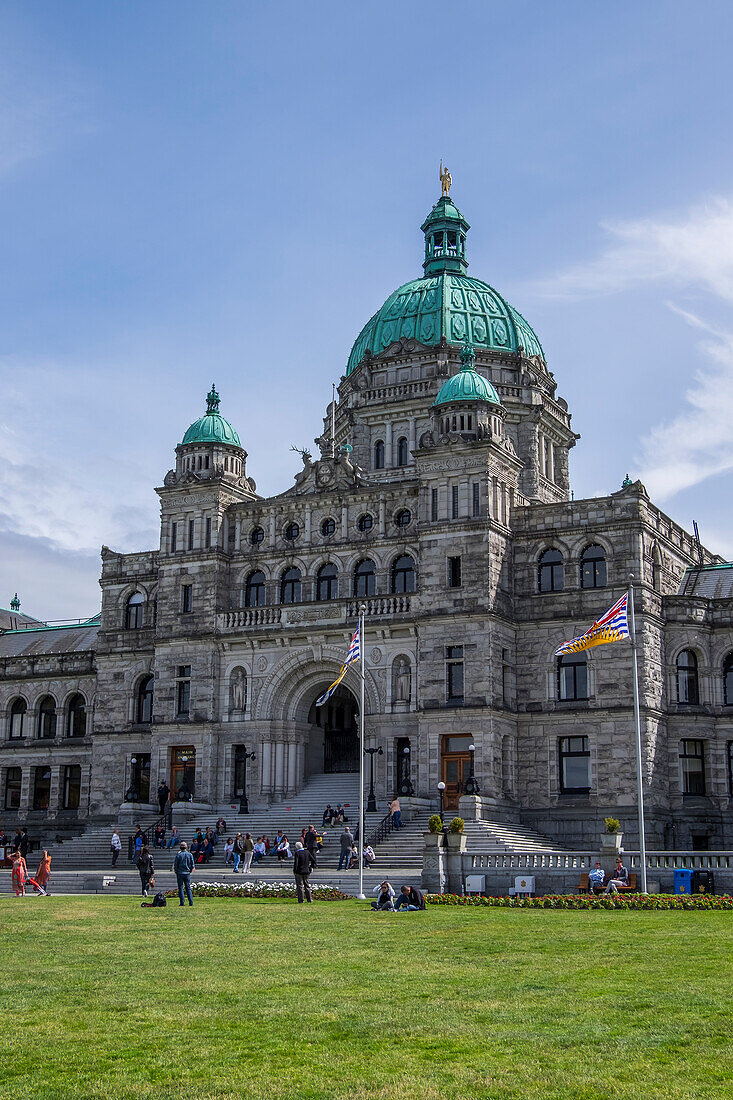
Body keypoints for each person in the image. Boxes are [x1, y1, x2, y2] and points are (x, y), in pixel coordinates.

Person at [174, 841, 195, 906]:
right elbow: (192, 864)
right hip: (187, 873)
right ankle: (191, 902)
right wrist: (190, 870)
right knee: (188, 888)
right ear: (186, 847)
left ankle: (182, 902)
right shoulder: (189, 854)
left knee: (180, 888)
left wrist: (176, 871)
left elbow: (176, 865)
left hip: (180, 873)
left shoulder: (178, 855)